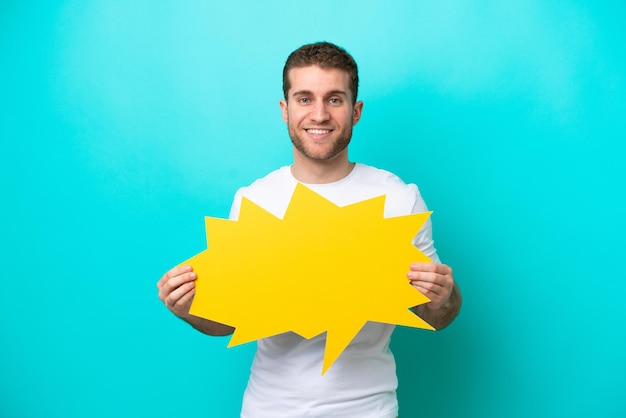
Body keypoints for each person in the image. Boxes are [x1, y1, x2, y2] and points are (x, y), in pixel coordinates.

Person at [157, 41, 462, 418]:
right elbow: (228, 321)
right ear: (285, 110)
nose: (319, 114)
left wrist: (443, 296)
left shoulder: (400, 200)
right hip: (268, 409)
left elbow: (436, 315)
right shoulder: (254, 200)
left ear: (356, 111)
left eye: (335, 99)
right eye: (304, 99)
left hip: (367, 410)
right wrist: (188, 308)